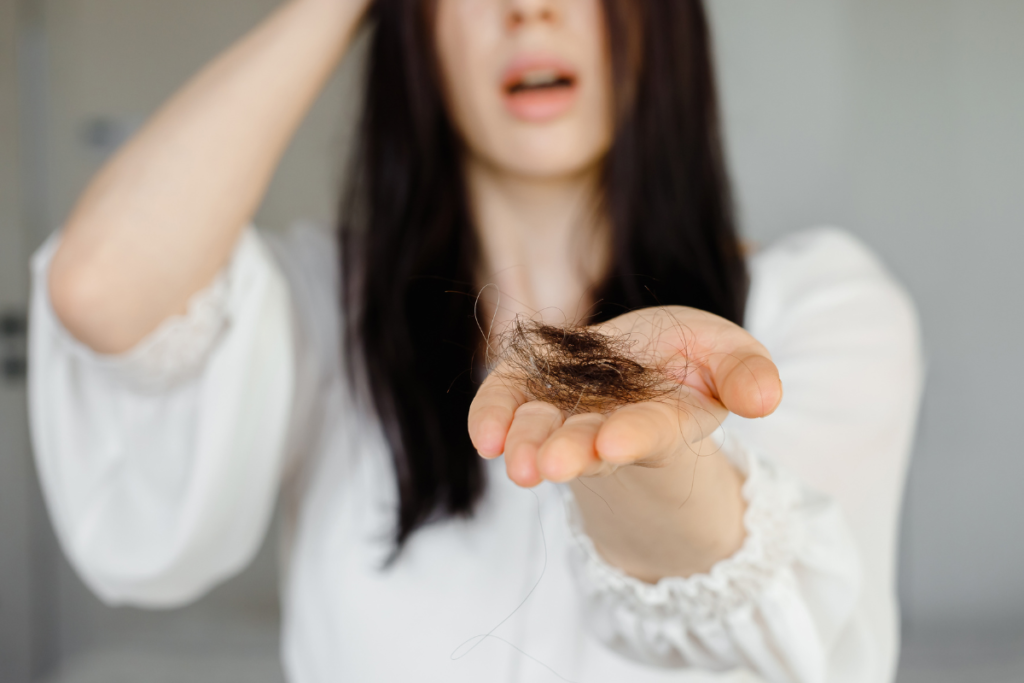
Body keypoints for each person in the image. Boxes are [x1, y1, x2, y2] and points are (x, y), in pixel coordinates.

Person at [27, 0, 923, 681]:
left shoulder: (820, 306)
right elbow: (99, 288)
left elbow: (784, 638)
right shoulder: (320, 308)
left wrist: (629, 447)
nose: (528, 10)